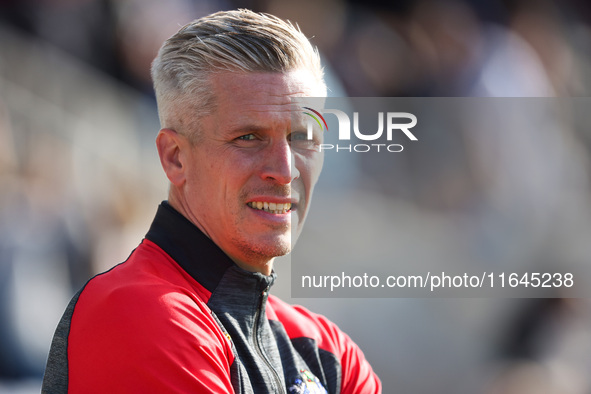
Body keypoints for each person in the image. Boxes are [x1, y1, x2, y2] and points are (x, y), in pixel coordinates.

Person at [42, 9, 381, 394]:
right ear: (175, 157)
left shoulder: (326, 349)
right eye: (249, 138)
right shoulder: (138, 310)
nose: (285, 170)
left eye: (302, 138)